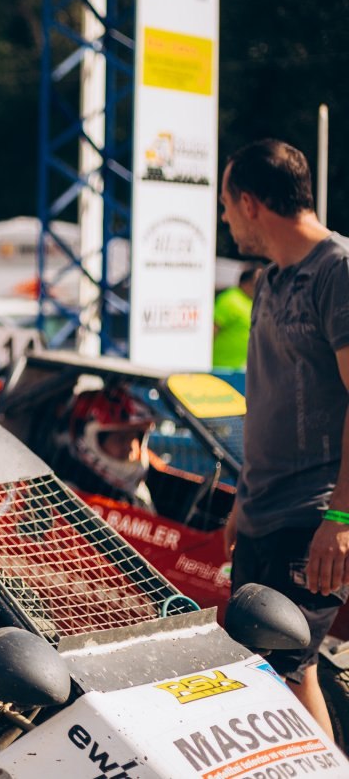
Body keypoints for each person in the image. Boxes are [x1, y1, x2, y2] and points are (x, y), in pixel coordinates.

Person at [220, 138, 349, 735]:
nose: (226, 220)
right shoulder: (271, 280)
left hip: (313, 518)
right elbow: (270, 401)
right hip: (263, 515)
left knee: (285, 673)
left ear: (250, 203)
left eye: (227, 206)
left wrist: (341, 518)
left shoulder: (337, 269)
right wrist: (242, 500)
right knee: (271, 673)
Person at [56, 388, 158, 513]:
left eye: (135, 438)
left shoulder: (139, 492)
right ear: (89, 441)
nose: (131, 447)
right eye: (120, 439)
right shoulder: (67, 493)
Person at [212, 263, 262, 369]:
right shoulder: (229, 299)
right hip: (222, 367)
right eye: (257, 283)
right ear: (246, 282)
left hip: (242, 367)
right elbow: (213, 329)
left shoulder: (253, 301)